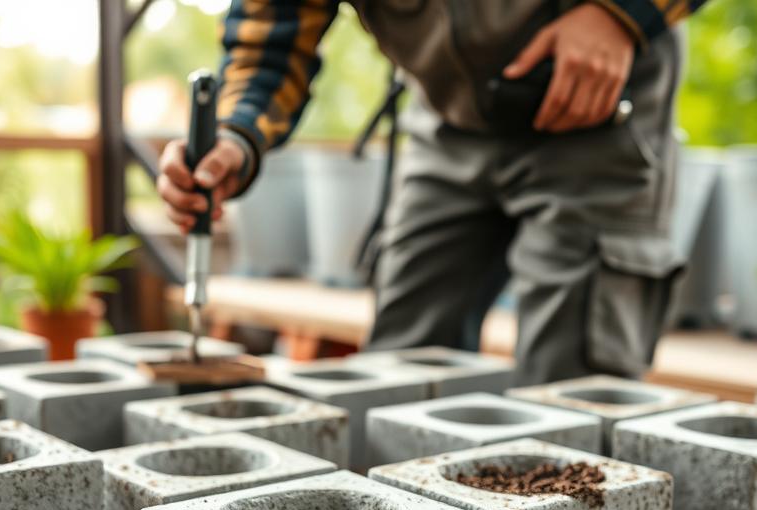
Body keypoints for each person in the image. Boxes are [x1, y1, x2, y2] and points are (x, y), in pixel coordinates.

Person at [157, 0, 709, 385]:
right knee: (401, 368)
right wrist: (234, 137)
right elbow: (269, 39)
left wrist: (619, 14)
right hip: (448, 118)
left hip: (597, 99)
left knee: (570, 389)